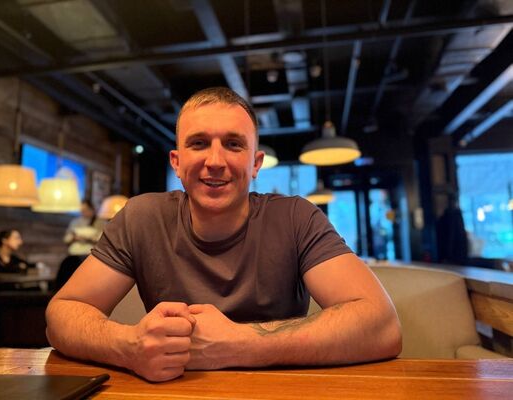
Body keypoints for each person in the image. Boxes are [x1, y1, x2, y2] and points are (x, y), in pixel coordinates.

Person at [46, 87, 402, 382]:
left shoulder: (296, 217)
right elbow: (61, 315)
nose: (215, 161)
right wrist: (129, 345)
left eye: (233, 144)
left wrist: (240, 344)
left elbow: (382, 325)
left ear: (255, 163)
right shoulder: (141, 217)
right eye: (199, 143)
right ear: (176, 162)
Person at [56, 200, 105, 289]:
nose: (84, 212)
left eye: (86, 210)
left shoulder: (100, 223)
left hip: (90, 255)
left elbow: (102, 239)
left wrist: (88, 238)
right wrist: (74, 238)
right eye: (82, 210)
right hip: (75, 255)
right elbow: (67, 238)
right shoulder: (75, 222)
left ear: (92, 209)